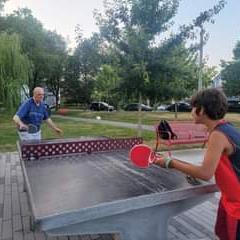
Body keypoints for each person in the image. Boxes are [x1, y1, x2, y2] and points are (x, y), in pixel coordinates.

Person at [154, 88, 240, 240]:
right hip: (229, 200)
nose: (191, 111)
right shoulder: (225, 128)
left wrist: (170, 163)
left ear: (202, 110)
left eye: (194, 107)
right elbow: (213, 165)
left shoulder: (218, 135)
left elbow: (205, 174)